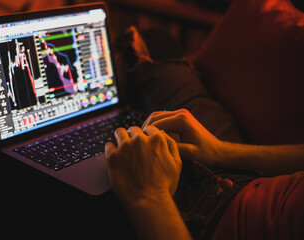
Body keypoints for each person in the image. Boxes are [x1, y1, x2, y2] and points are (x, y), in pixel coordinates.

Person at [105, 26, 304, 239]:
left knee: (140, 50)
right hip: (245, 177)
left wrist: (150, 198)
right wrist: (219, 150)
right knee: (153, 41)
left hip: (190, 221)